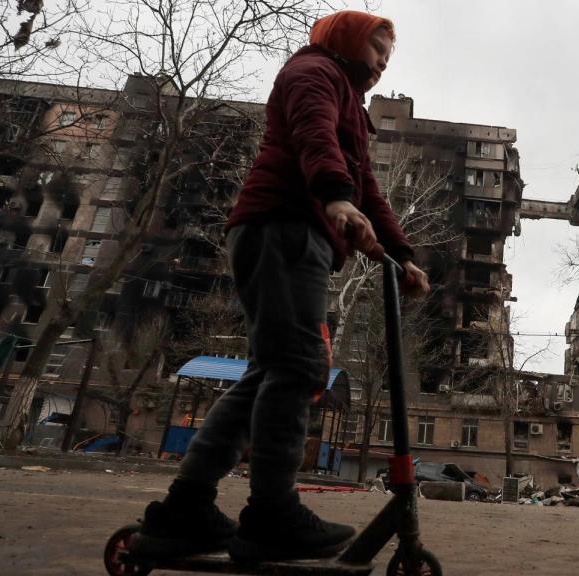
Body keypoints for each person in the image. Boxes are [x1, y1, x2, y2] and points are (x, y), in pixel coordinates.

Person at [130, 10, 429, 564]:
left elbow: (367, 185)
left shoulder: (350, 103)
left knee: (270, 370)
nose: (383, 63)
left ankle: (186, 508)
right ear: (345, 41)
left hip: (293, 231)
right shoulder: (314, 72)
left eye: (389, 56)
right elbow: (313, 134)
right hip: (285, 226)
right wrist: (335, 196)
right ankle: (272, 513)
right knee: (297, 366)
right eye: (377, 49)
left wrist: (400, 255)